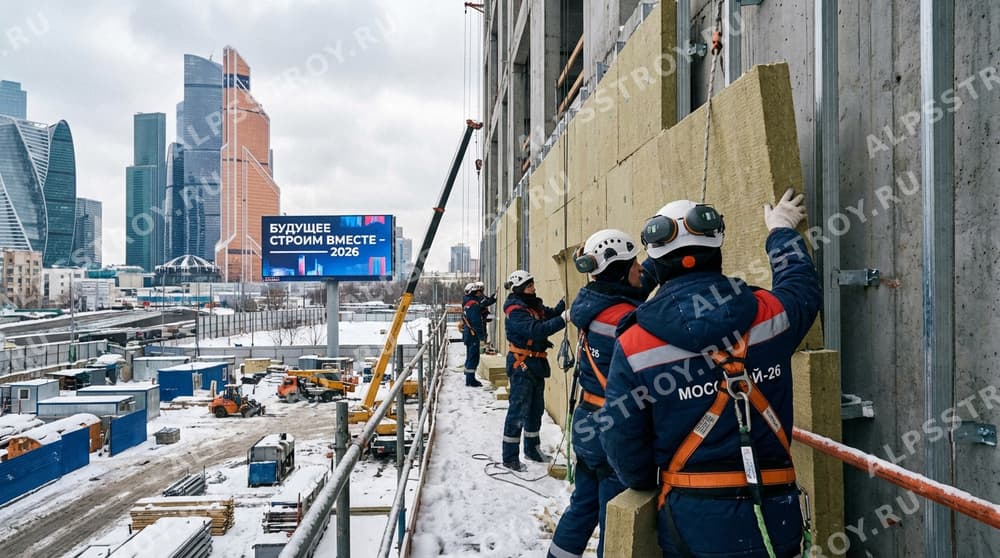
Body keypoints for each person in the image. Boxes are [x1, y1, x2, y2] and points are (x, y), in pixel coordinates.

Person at [601, 190, 821, 557]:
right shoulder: (771, 315)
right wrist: (780, 230)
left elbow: (622, 439)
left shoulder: (635, 344)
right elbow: (801, 284)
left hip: (691, 523)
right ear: (718, 251)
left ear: (655, 265)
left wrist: (643, 481)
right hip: (774, 518)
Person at [548, 229, 651, 558]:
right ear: (621, 270)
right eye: (635, 264)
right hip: (613, 429)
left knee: (583, 506)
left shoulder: (592, 302)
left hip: (587, 422)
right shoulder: (625, 320)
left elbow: (636, 282)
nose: (640, 270)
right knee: (613, 516)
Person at [501, 269, 568, 471]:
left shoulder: (532, 305)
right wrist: (566, 318)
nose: (533, 288)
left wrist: (568, 301)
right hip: (521, 365)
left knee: (535, 410)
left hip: (535, 364)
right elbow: (537, 330)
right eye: (529, 286)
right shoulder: (515, 310)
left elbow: (552, 313)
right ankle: (510, 457)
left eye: (532, 284)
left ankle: (532, 450)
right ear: (520, 288)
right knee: (518, 411)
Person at [461, 281, 496, 387]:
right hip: (473, 334)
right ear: (474, 292)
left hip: (468, 332)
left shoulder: (467, 302)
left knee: (469, 355)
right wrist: (482, 337)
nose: (479, 293)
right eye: (478, 292)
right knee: (473, 357)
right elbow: (476, 321)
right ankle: (471, 380)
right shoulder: (474, 305)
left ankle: (469, 377)